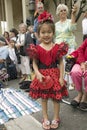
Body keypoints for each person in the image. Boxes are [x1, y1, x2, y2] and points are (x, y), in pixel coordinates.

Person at [27, 11, 68, 130]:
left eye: (49, 32)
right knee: (43, 98)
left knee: (56, 98)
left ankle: (56, 117)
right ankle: (45, 117)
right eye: (43, 32)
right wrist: (38, 73)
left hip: (55, 76)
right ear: (38, 34)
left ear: (53, 33)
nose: (46, 35)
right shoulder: (37, 48)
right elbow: (34, 63)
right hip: (42, 77)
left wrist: (61, 77)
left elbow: (60, 62)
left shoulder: (57, 47)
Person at [55, 4, 77, 90]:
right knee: (62, 64)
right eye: (61, 10)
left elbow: (72, 28)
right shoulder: (56, 24)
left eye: (64, 10)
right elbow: (55, 36)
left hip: (69, 45)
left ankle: (72, 82)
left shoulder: (69, 21)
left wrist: (73, 14)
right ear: (58, 13)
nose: (63, 12)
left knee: (70, 63)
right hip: (60, 47)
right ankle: (63, 81)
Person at [70, 38, 87, 111]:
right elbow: (80, 50)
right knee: (75, 72)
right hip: (82, 62)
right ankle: (80, 93)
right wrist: (82, 63)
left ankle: (85, 96)